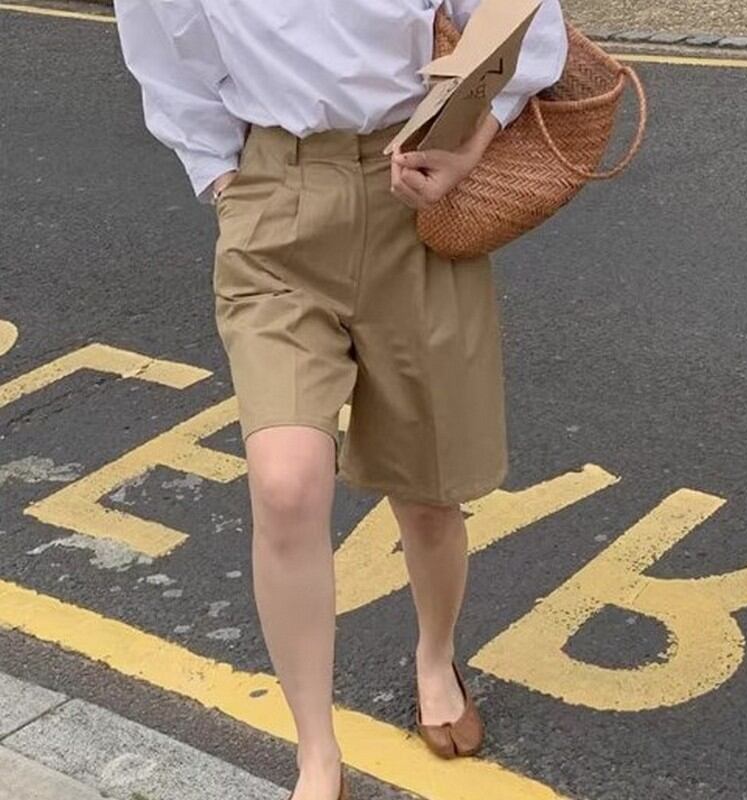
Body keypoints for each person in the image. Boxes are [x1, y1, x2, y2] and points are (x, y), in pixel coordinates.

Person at [113, 2, 568, 798]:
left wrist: (469, 143)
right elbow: (166, 50)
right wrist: (225, 180)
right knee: (285, 487)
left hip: (414, 183)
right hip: (273, 200)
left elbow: (517, 16)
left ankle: (435, 656)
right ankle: (317, 754)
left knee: (429, 492)